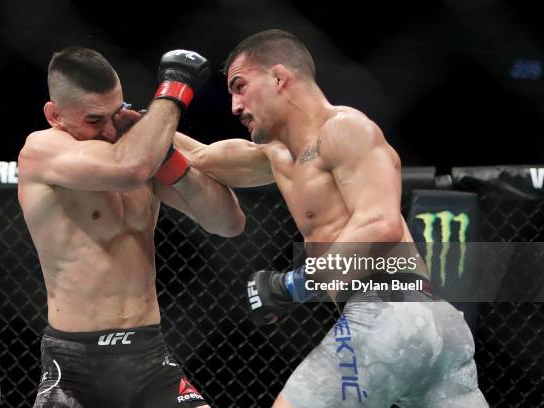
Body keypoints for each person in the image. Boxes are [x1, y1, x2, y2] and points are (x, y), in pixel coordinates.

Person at [176, 30, 489, 407]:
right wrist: (139, 123)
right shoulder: (276, 156)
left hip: (390, 310)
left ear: (278, 78)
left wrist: (293, 284)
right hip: (432, 327)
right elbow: (203, 159)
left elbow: (381, 223)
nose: (234, 106)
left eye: (240, 87)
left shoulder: (344, 128)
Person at [18, 46, 245, 407]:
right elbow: (129, 169)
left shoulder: (139, 146)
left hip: (150, 359)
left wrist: (170, 159)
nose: (110, 130)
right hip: (75, 367)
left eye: (117, 112)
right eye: (94, 120)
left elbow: (228, 223)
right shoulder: (41, 150)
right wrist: (175, 89)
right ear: (54, 115)